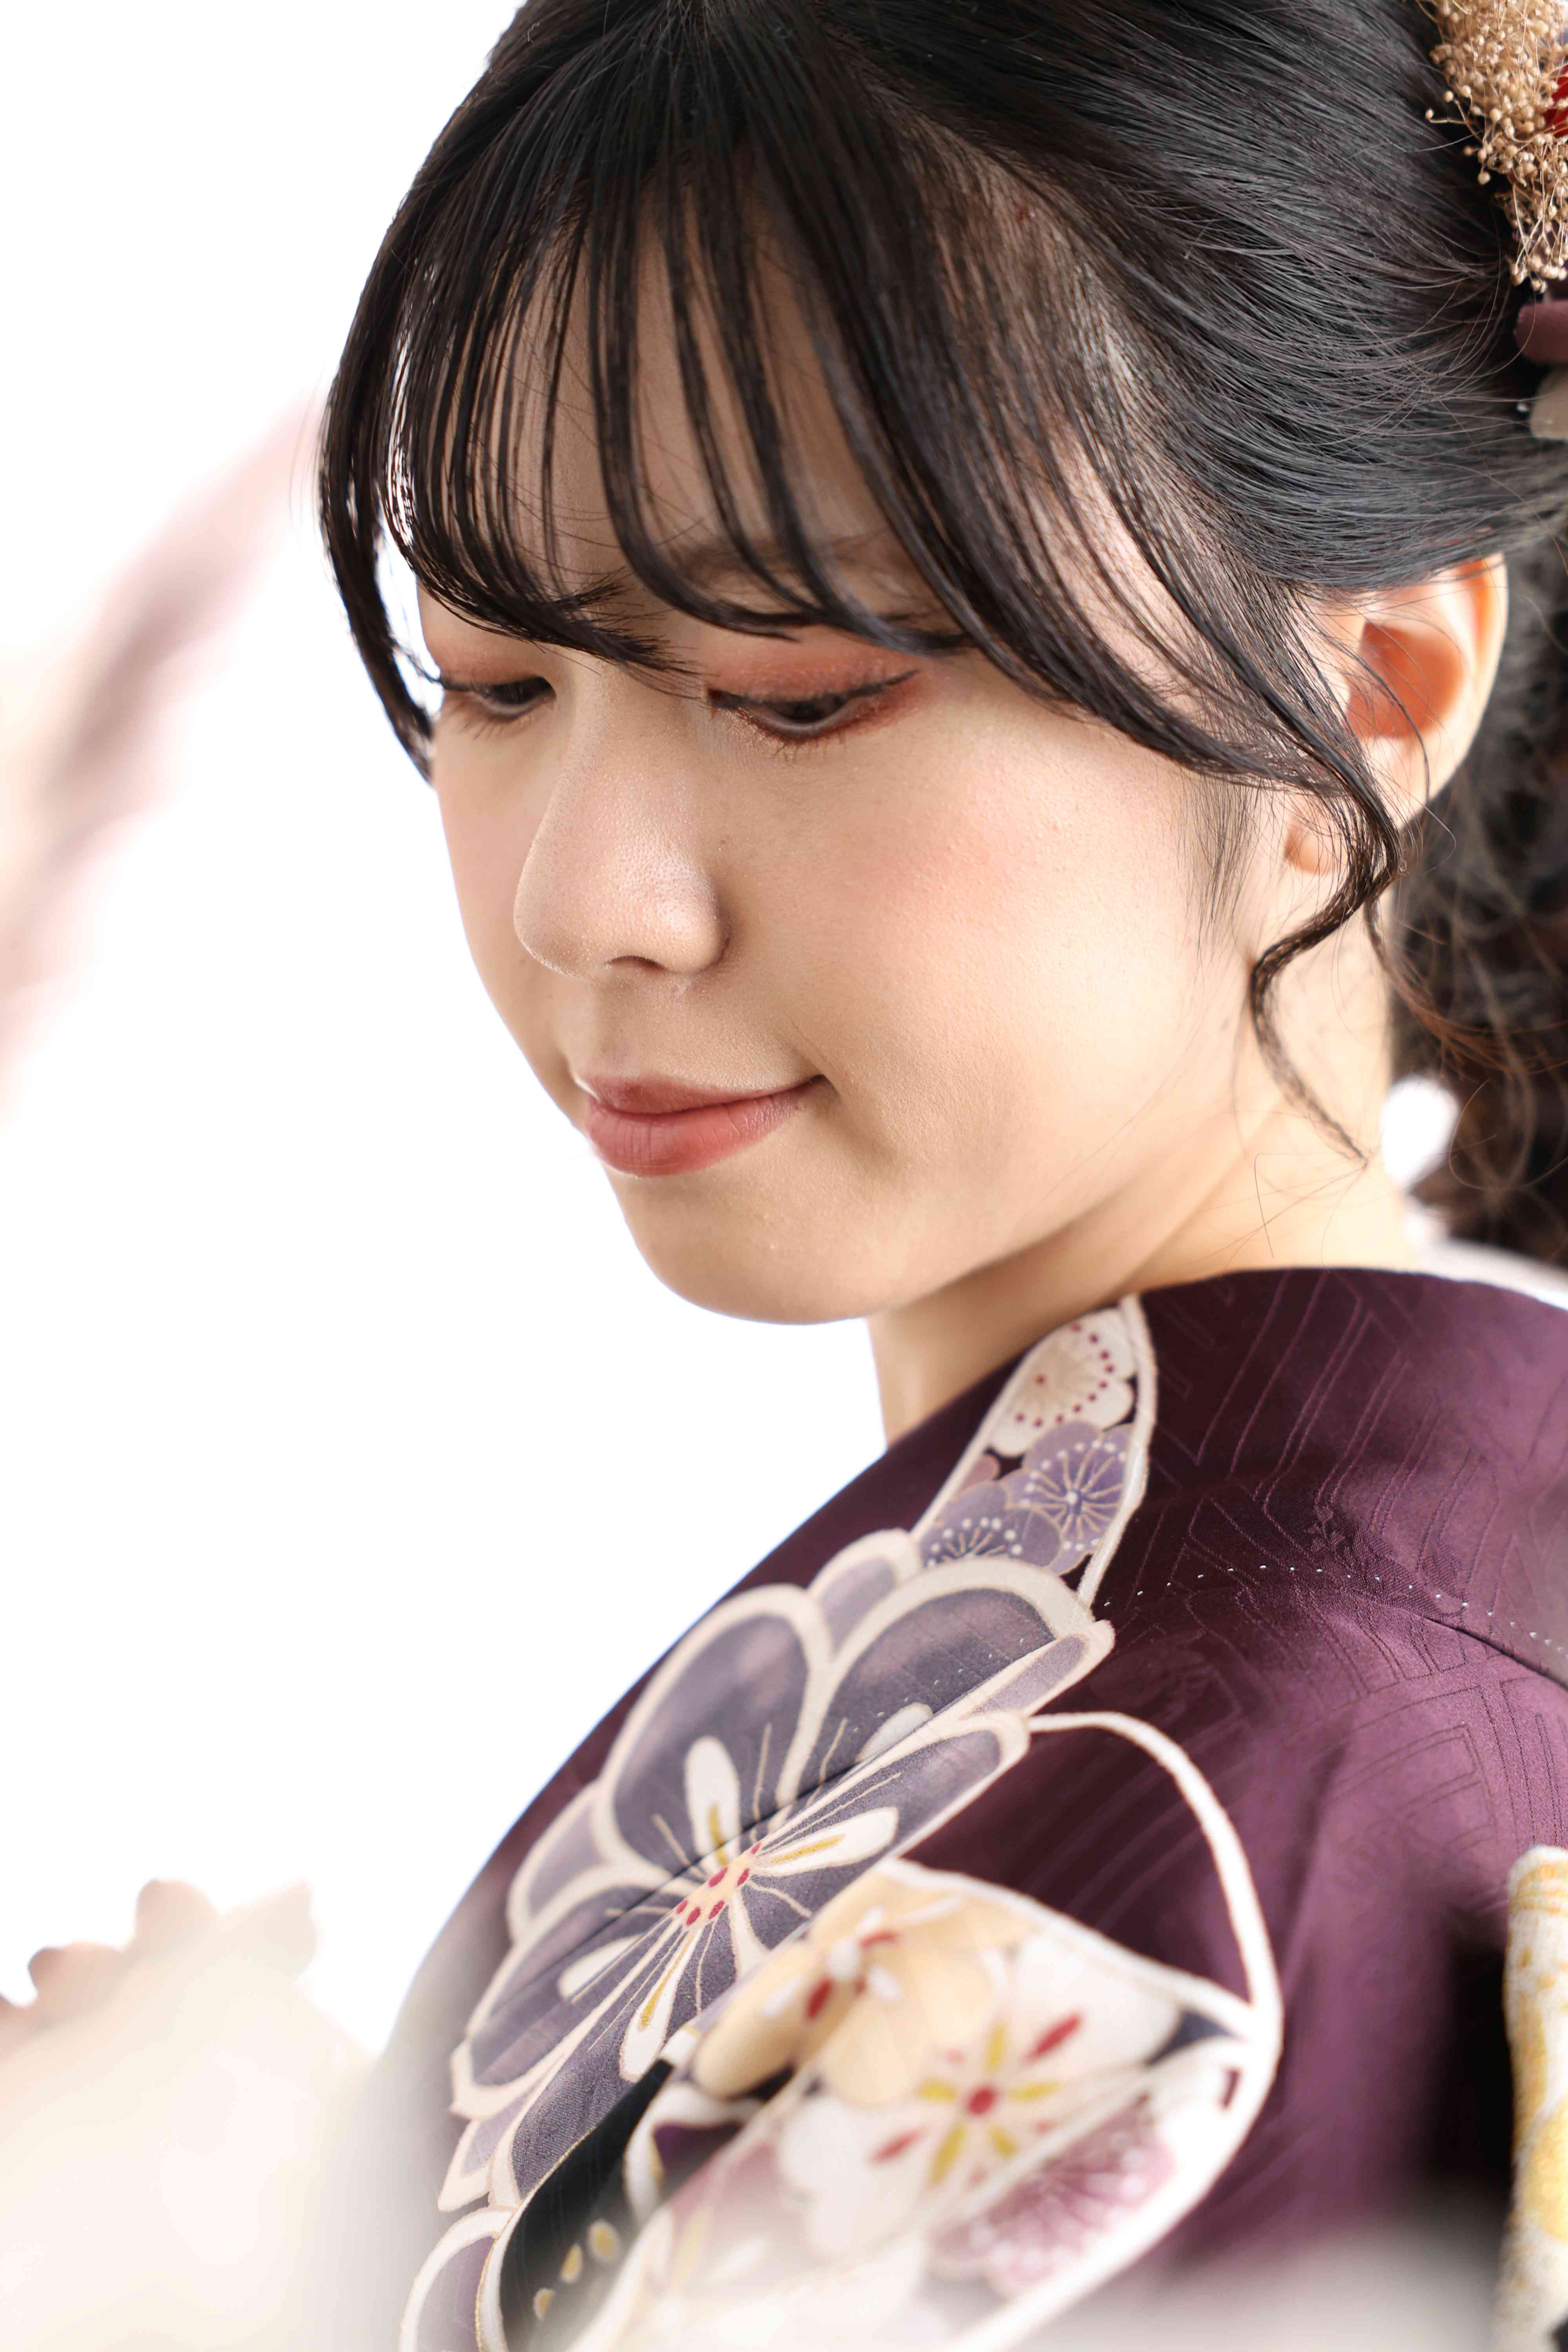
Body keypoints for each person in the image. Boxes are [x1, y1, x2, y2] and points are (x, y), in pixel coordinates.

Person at [314, 2, 1568, 2345]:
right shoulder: (1416, 1618)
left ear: (1374, 692)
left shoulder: (1156, 1862)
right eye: (494, 680)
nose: (586, 900)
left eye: (798, 687)